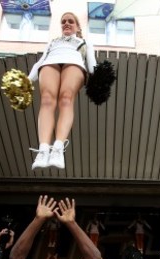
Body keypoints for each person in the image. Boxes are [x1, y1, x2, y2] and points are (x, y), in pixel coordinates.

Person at [27, 12, 96, 170]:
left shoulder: (84, 42)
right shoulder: (53, 42)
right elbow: (40, 61)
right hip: (51, 63)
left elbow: (92, 64)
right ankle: (43, 150)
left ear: (77, 26)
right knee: (47, 99)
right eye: (63, 21)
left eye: (71, 21)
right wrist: (26, 80)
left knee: (66, 98)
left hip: (74, 63)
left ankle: (58, 149)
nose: (66, 23)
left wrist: (100, 77)